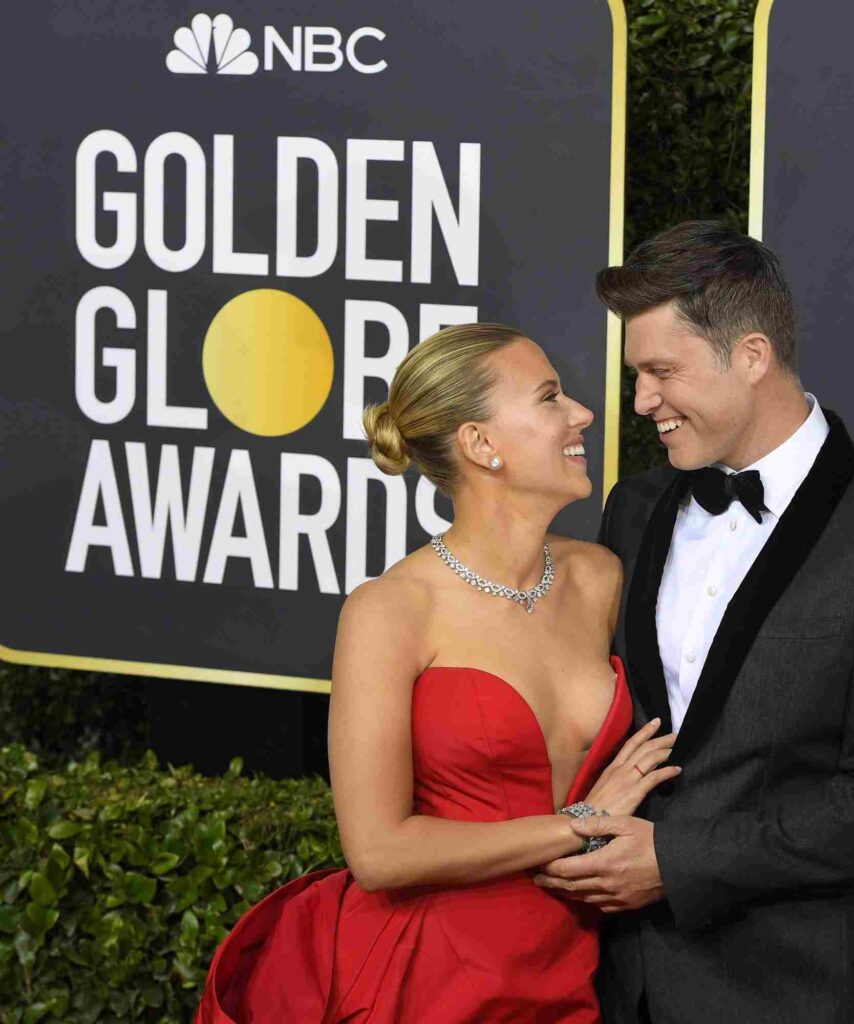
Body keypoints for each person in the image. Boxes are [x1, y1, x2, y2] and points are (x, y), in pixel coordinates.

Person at [533, 221, 854, 1023]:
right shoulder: (634, 508)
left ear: (751, 355)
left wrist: (679, 859)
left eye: (661, 371)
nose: (640, 402)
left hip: (786, 992)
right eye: (637, 375)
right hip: (614, 982)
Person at [195, 323, 678, 1023]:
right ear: (481, 445)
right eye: (549, 398)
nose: (582, 414)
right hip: (423, 976)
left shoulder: (600, 578)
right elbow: (380, 852)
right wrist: (582, 824)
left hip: (571, 968)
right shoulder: (390, 611)